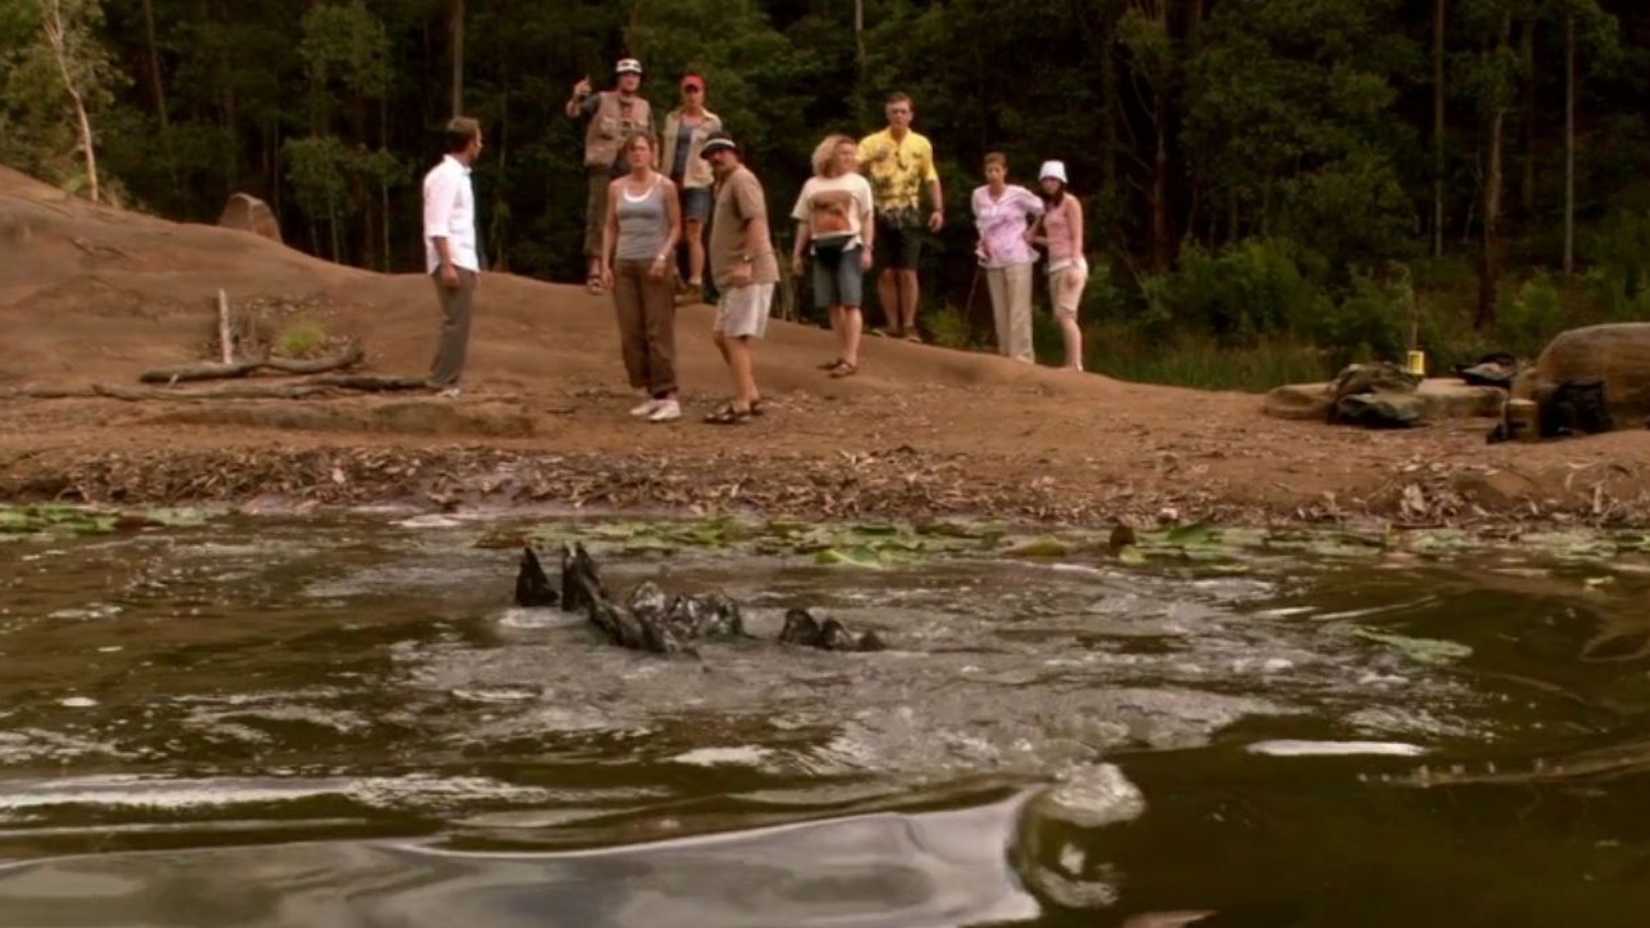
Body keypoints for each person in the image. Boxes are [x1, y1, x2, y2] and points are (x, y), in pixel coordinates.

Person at [601, 133, 682, 423]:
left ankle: (669, 394)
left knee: (657, 328)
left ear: (652, 152)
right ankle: (651, 392)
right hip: (624, 262)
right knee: (631, 332)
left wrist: (663, 256)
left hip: (654, 261)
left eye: (642, 149)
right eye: (632, 149)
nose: (637, 154)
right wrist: (604, 263)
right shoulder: (616, 187)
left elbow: (676, 227)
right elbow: (610, 226)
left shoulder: (665, 186)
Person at [702, 132, 779, 424]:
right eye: (710, 154)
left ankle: (742, 402)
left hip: (749, 273)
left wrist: (747, 261)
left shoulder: (742, 179)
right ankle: (751, 392)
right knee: (722, 336)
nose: (716, 157)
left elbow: (756, 220)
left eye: (721, 151)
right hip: (731, 277)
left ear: (734, 152)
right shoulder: (722, 185)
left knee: (734, 336)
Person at [566, 58, 655, 295]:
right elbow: (574, 113)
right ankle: (595, 268)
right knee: (599, 216)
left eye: (635, 75)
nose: (630, 78)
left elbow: (651, 140)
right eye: (626, 74)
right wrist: (577, 97)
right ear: (618, 77)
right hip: (603, 166)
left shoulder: (644, 106)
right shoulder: (601, 99)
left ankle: (621, 271)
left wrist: (652, 171)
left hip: (632, 170)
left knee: (630, 219)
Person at [858, 91, 942, 342]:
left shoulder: (921, 144)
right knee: (885, 272)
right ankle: (891, 323)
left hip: (909, 210)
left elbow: (930, 177)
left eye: (903, 111)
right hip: (878, 210)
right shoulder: (871, 142)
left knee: (908, 270)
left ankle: (909, 325)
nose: (898, 115)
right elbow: (853, 167)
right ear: (887, 114)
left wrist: (938, 209)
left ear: (911, 115)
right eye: (894, 111)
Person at [791, 134, 875, 378]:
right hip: (821, 244)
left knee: (851, 301)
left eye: (852, 153)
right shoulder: (812, 185)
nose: (849, 157)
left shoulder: (859, 183)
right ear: (830, 155)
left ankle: (852, 357)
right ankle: (842, 353)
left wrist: (868, 248)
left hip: (849, 242)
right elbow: (804, 221)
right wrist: (797, 253)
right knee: (831, 304)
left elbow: (868, 217)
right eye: (843, 153)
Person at [422, 116, 484, 398]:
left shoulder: (457, 175)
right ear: (470, 144)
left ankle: (444, 376)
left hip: (462, 259)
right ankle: (443, 381)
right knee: (456, 322)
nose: (481, 145)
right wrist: (447, 264)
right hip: (453, 259)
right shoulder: (446, 177)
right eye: (479, 139)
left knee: (459, 320)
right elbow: (437, 224)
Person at [971, 152, 1042, 363]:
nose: (993, 175)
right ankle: (1004, 352)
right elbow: (980, 222)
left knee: (1018, 308)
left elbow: (1040, 209)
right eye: (989, 171)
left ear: (1004, 172)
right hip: (993, 257)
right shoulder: (978, 195)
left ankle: (1022, 355)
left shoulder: (1017, 193)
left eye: (997, 170)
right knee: (1000, 307)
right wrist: (982, 240)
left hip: (1017, 254)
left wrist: (1032, 232)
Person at [658, 73, 722, 304]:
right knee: (669, 229)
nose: (692, 95)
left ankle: (696, 283)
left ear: (703, 93)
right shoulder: (672, 118)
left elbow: (719, 152)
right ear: (682, 93)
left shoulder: (712, 122)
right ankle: (674, 277)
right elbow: (662, 146)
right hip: (672, 179)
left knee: (694, 232)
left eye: (696, 90)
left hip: (699, 181)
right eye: (688, 90)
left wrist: (719, 180)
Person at [1030, 160, 1088, 371]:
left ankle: (1075, 364)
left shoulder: (1070, 202)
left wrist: (1074, 264)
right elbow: (1054, 240)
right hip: (1055, 266)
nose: (1048, 183)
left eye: (1053, 179)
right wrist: (1034, 237)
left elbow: (1077, 236)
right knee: (1061, 317)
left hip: (1070, 265)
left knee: (1066, 315)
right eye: (1045, 179)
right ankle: (1070, 361)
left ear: (1061, 181)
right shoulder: (1049, 207)